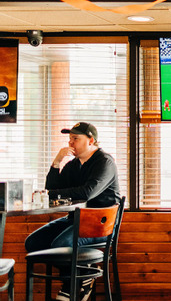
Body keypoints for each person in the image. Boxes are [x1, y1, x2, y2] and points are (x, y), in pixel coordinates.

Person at [24, 122, 122, 301]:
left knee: (60, 244)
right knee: (33, 243)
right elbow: (51, 190)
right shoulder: (74, 165)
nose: (70, 143)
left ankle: (71, 285)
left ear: (91, 140)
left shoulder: (104, 161)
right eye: (70, 139)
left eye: (75, 139)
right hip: (76, 219)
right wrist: (56, 162)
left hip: (100, 225)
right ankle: (85, 273)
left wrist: (50, 193)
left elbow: (87, 192)